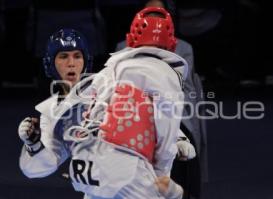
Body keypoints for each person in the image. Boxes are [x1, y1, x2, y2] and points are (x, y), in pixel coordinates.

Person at [18, 25, 192, 199]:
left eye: (77, 56)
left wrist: (178, 136)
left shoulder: (106, 81)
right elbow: (39, 168)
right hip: (96, 185)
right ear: (50, 63)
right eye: (63, 56)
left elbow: (150, 108)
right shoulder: (52, 112)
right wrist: (33, 144)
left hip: (132, 171)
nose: (71, 63)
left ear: (86, 60)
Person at [65, 6, 188, 199]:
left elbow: (78, 106)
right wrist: (161, 175)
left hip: (85, 161)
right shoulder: (166, 75)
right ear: (172, 43)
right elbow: (166, 131)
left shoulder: (110, 68)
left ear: (131, 37)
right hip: (125, 163)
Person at [117, 1, 208, 198]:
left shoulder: (181, 50)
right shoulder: (121, 51)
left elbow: (183, 92)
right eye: (150, 16)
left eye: (161, 15)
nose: (155, 22)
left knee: (182, 152)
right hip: (130, 123)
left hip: (171, 118)